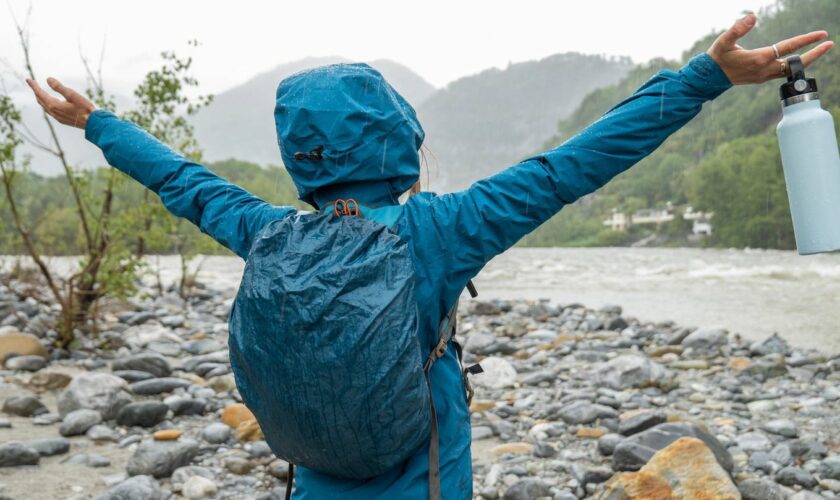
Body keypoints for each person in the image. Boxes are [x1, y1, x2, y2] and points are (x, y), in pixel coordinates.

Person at [27, 14, 832, 500]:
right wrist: (703, 79)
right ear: (397, 137)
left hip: (315, 474)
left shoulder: (264, 231)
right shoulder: (442, 233)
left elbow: (184, 181)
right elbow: (576, 163)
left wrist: (99, 122)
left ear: (300, 156)